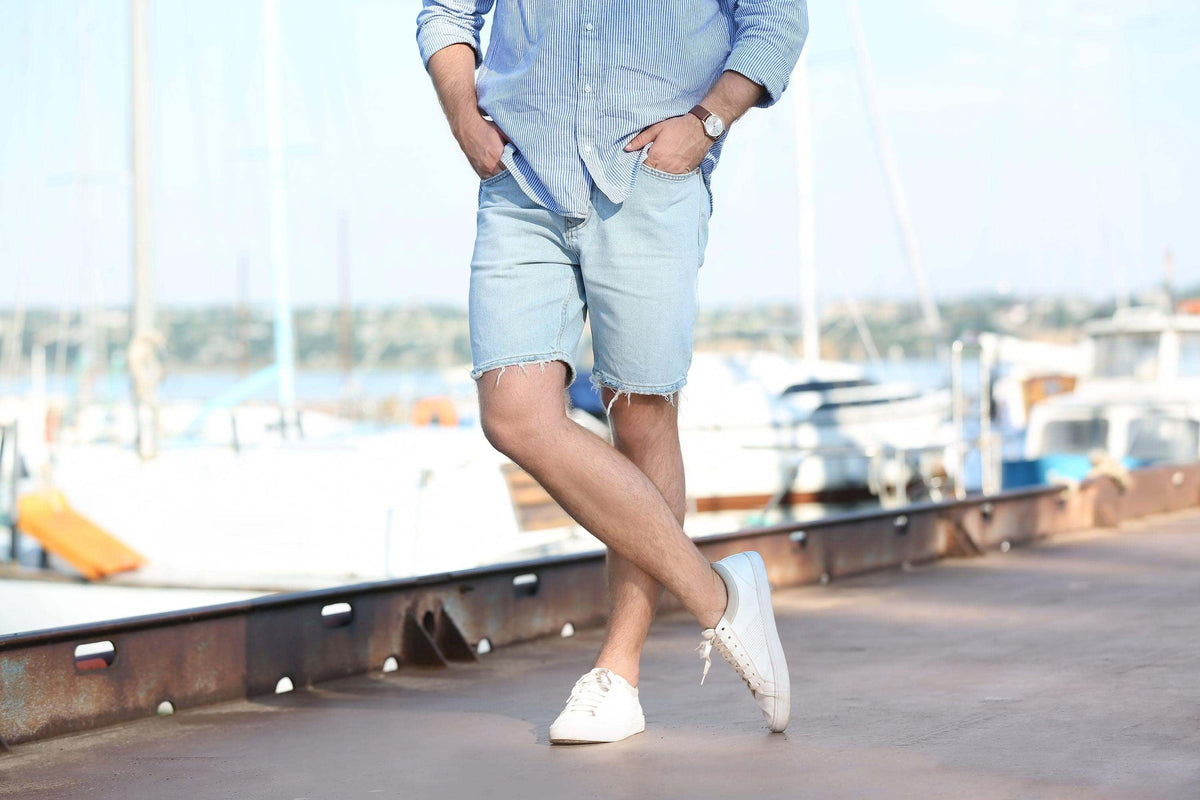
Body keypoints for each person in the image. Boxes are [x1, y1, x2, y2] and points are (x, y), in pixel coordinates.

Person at [416, 0, 808, 744]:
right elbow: (445, 13)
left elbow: (776, 15)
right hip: (522, 178)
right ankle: (719, 597)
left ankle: (618, 675)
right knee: (514, 414)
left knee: (641, 416)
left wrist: (708, 121)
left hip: (650, 177)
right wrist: (464, 116)